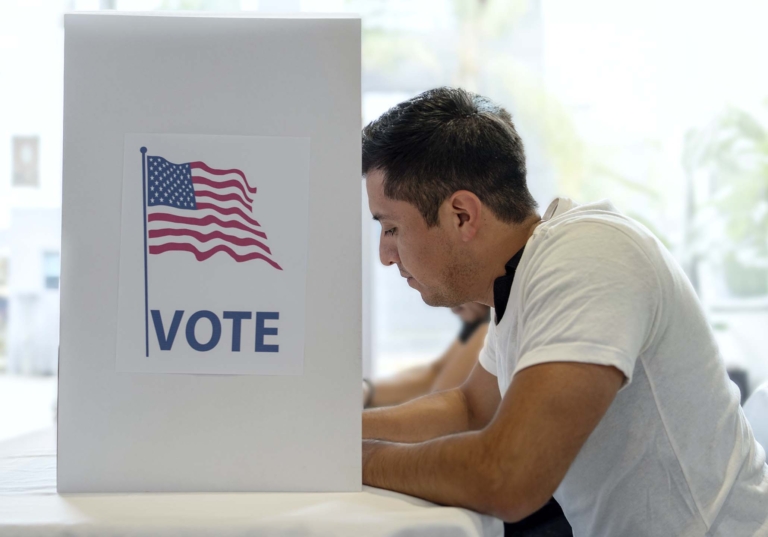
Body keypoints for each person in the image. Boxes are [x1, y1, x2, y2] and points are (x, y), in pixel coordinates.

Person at [360, 87, 768, 536]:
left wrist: (360, 459)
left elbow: (507, 478)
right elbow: (470, 407)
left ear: (461, 215)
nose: (385, 254)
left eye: (392, 228)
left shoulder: (586, 257)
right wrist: (337, 434)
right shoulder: (525, 277)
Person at [363, 302, 490, 408]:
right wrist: (367, 389)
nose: (452, 309)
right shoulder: (477, 316)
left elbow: (440, 398)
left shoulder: (489, 328)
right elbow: (435, 372)